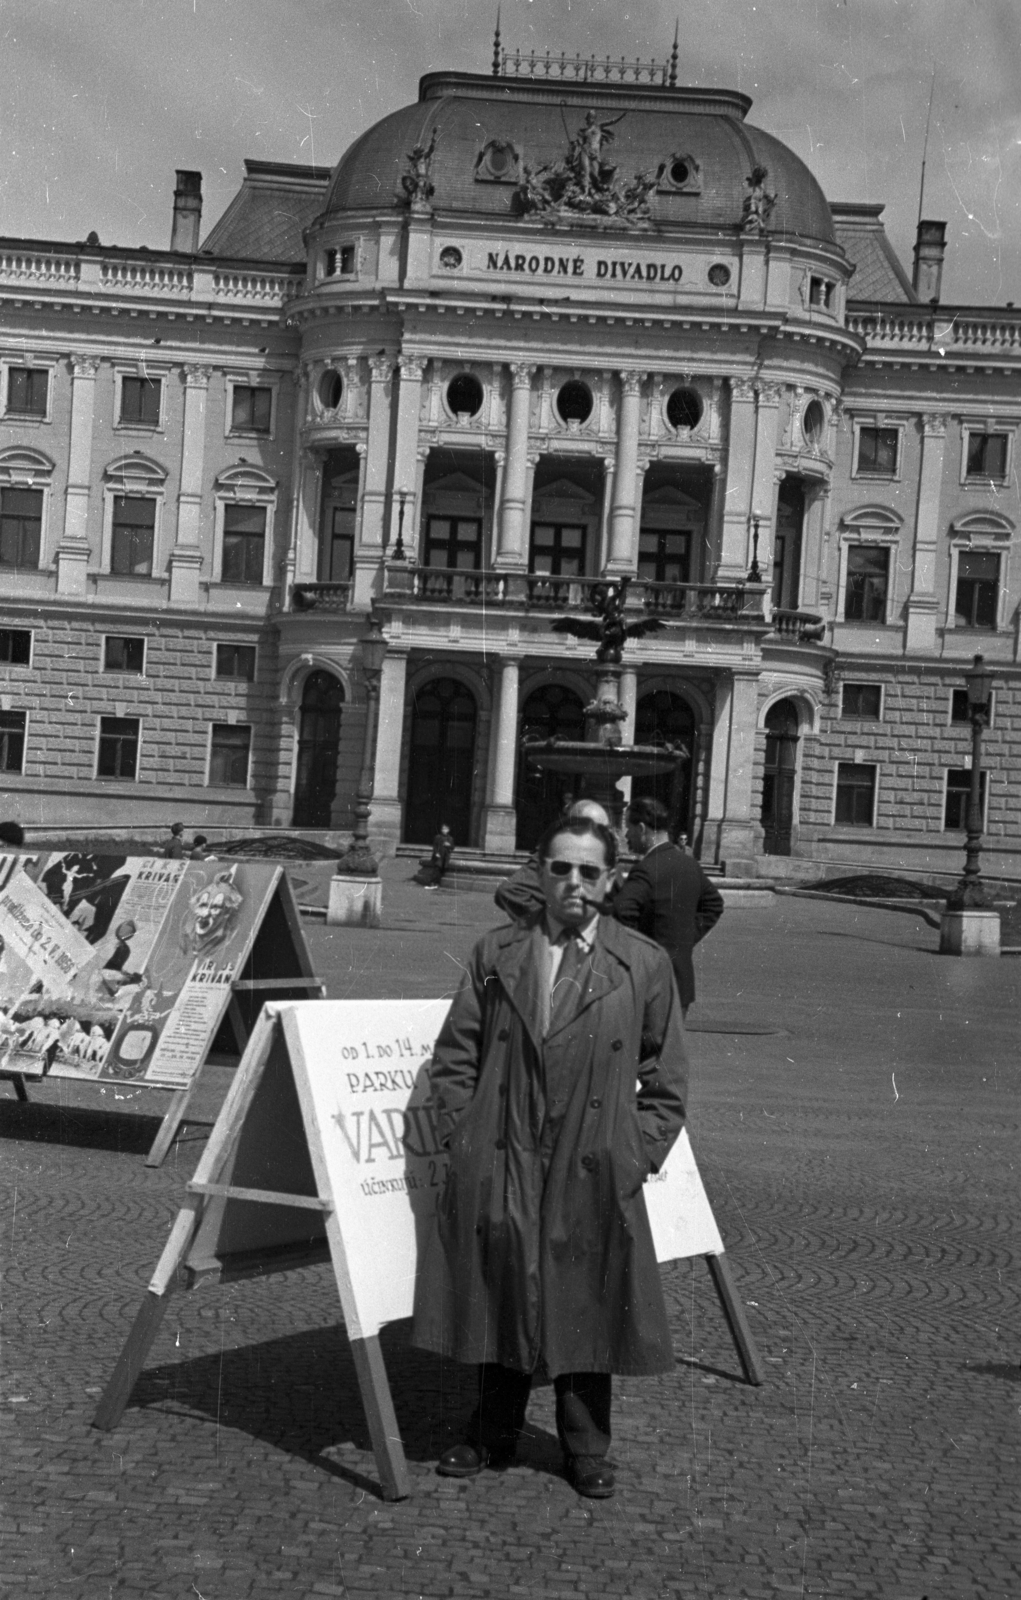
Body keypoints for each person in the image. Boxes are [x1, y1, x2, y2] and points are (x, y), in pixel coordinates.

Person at [413, 814, 688, 1499]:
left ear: (610, 880)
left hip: (589, 1160)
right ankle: (488, 1434)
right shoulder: (497, 951)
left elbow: (667, 1082)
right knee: (503, 1292)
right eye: (559, 868)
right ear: (539, 870)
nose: (572, 883)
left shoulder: (642, 963)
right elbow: (455, 1057)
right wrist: (463, 1135)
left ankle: (586, 1449)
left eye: (588, 871)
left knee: (583, 1302)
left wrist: (632, 1155)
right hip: (505, 1153)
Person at [613, 796, 724, 1017]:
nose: (626, 836)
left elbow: (621, 911)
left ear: (642, 828)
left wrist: (640, 948)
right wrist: (685, 937)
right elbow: (714, 904)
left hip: (649, 983)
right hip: (681, 983)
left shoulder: (645, 869)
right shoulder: (690, 864)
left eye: (629, 828)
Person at [494, 798, 618, 919]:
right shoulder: (555, 856)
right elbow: (510, 891)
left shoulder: (607, 855)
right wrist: (548, 922)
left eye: (606, 830)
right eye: (597, 829)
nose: (605, 837)